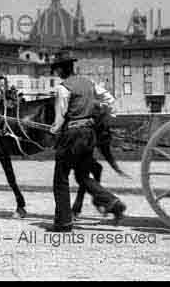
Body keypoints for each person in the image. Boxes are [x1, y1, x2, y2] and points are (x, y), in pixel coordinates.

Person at [49, 57, 126, 232]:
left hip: (72, 136)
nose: (56, 73)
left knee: (60, 178)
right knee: (83, 176)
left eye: (56, 70)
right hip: (89, 135)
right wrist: (105, 113)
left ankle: (63, 222)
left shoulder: (63, 88)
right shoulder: (89, 83)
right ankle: (113, 204)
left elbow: (60, 117)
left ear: (61, 70)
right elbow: (110, 99)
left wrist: (54, 130)